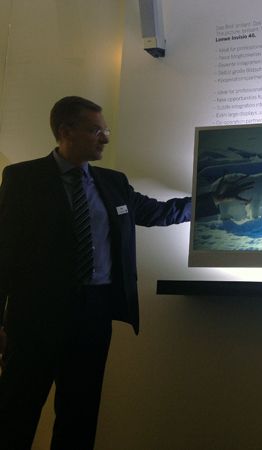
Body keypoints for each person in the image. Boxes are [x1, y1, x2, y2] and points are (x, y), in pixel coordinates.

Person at [0, 96, 193, 450]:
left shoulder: (113, 182)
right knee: (16, 414)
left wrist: (208, 204)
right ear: (66, 131)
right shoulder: (23, 179)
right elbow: (5, 252)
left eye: (105, 130)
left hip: (93, 315)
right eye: (95, 130)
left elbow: (156, 213)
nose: (105, 138)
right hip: (35, 318)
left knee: (80, 416)